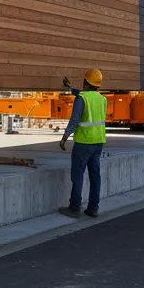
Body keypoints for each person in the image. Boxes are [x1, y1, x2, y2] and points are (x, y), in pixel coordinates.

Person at [58, 67, 107, 218]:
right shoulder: (102, 99)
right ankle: (93, 208)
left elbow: (75, 119)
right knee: (95, 175)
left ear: (86, 82)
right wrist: (71, 87)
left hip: (84, 142)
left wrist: (65, 136)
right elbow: (83, 95)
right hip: (98, 142)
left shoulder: (82, 98)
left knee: (78, 175)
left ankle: (74, 208)